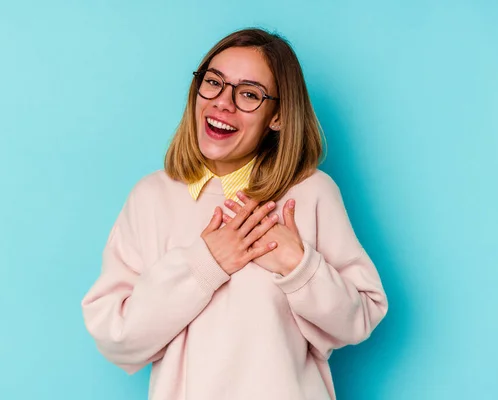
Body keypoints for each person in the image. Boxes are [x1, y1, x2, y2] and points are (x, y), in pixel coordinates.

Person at [81, 27, 388, 400]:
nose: (223, 103)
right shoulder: (151, 197)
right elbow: (116, 336)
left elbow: (359, 319)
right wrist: (204, 265)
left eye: (248, 94)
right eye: (213, 82)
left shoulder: (311, 193)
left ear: (277, 116)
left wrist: (299, 265)